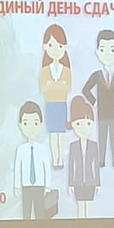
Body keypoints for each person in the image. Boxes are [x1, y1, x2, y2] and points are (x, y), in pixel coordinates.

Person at [82, 29, 114, 167]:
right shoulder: (97, 75)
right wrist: (94, 102)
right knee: (102, 136)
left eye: (111, 49)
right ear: (97, 51)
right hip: (102, 112)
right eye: (102, 49)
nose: (107, 54)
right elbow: (86, 90)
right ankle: (101, 160)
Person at [40, 23, 73, 168]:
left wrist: (53, 85)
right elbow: (44, 87)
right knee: (53, 134)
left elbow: (67, 87)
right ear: (45, 47)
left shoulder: (66, 70)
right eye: (51, 45)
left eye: (59, 46)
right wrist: (59, 85)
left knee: (61, 133)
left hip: (61, 105)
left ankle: (61, 159)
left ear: (64, 47)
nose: (55, 49)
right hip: (50, 105)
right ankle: (55, 159)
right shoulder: (45, 70)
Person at [13, 100, 51, 220]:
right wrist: (17, 186)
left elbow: (46, 168)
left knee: (40, 213)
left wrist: (48, 186)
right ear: (20, 125)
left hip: (40, 186)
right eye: (26, 123)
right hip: (26, 186)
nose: (30, 128)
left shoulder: (43, 149)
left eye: (35, 123)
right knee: (26, 213)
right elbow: (17, 169)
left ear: (41, 124)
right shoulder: (21, 149)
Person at [67, 94, 100, 219]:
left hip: (91, 182)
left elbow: (96, 166)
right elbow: (71, 166)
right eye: (79, 124)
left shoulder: (94, 145)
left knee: (89, 207)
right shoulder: (73, 146)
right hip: (78, 182)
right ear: (73, 125)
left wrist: (98, 183)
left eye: (88, 123)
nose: (84, 128)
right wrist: (70, 183)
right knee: (81, 208)